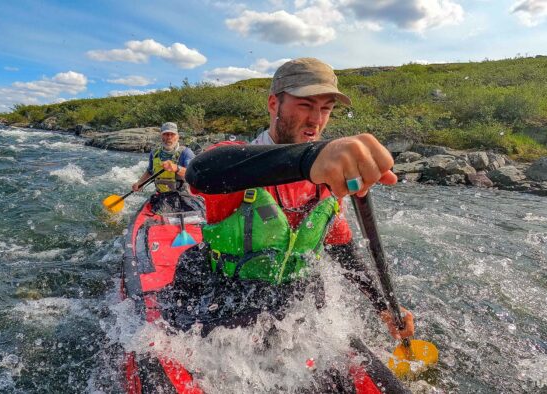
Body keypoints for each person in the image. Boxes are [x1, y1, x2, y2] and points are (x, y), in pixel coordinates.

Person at [160, 58, 415, 343]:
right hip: (222, 299)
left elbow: (342, 250)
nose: (317, 120)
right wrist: (309, 157)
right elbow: (200, 172)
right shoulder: (235, 160)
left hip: (290, 305)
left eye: (326, 109)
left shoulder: (327, 180)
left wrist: (383, 306)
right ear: (273, 105)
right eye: (305, 105)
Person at [132, 122, 200, 214]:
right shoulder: (154, 153)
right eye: (166, 134)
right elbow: (150, 171)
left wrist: (176, 168)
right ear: (161, 136)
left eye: (172, 134)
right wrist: (140, 183)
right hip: (161, 195)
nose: (169, 137)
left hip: (181, 195)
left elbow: (193, 174)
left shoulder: (186, 153)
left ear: (177, 137)